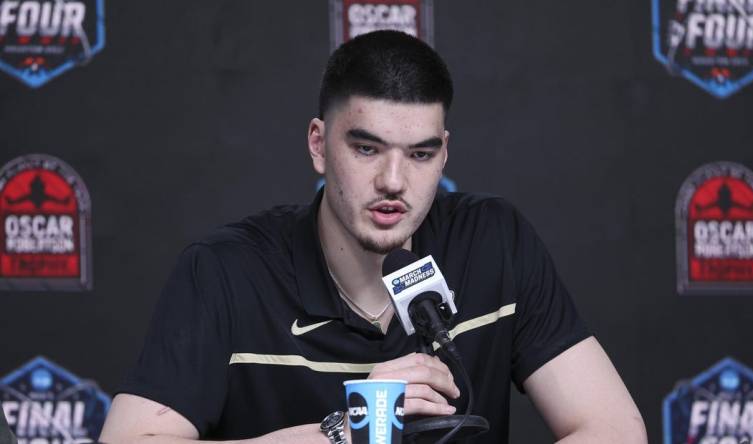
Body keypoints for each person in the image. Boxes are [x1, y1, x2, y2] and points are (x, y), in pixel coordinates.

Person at [99, 30, 646, 443]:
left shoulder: (495, 242)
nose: (392, 181)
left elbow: (614, 428)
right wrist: (348, 428)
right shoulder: (225, 270)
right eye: (366, 148)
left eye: (420, 154)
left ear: (445, 154)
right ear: (318, 145)